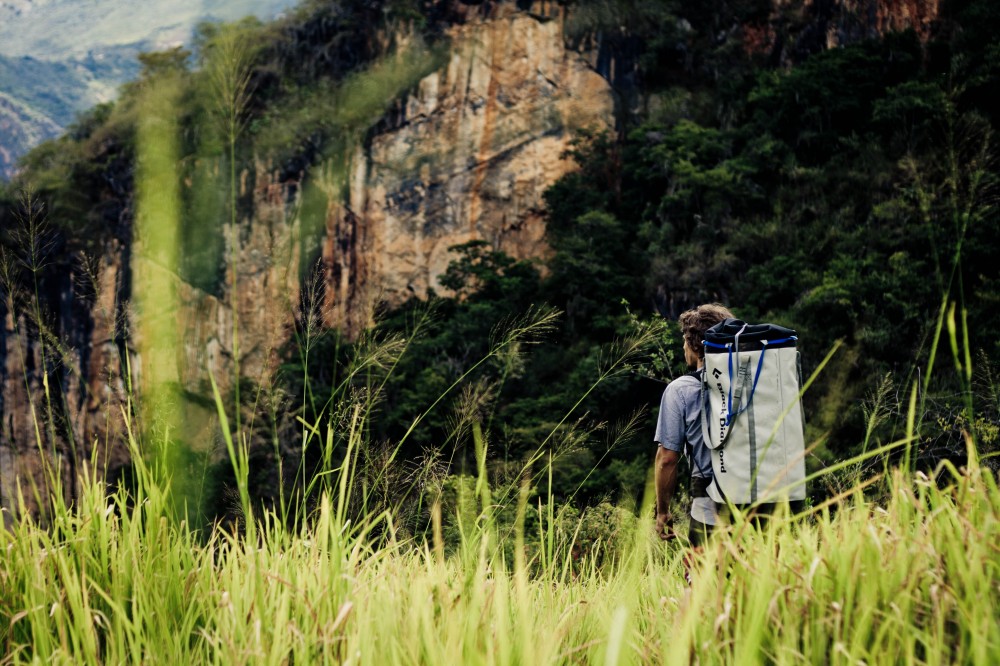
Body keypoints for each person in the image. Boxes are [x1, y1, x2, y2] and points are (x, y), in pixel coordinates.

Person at [654, 303, 734, 547]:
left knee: (703, 583)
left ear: (695, 345)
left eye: (684, 340)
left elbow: (666, 459)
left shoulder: (680, 390)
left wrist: (663, 511)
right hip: (764, 502)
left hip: (710, 505)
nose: (682, 347)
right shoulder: (752, 384)